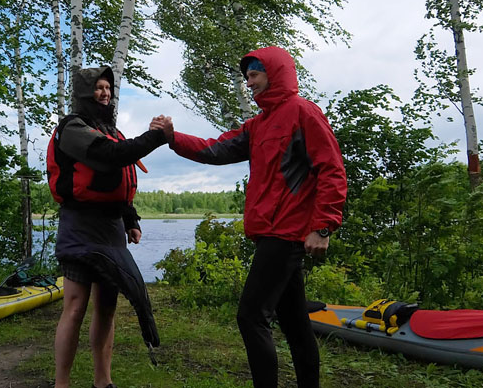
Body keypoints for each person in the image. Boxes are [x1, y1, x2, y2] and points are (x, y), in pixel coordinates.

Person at [151, 46, 347, 388]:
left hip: (286, 233)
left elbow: (331, 169)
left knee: (251, 316)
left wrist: (324, 225)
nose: (249, 82)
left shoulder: (304, 113)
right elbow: (217, 148)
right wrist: (173, 138)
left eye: (254, 74)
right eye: (247, 76)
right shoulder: (258, 125)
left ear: (274, 74)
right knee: (295, 323)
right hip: (271, 231)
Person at [47, 66, 166, 388]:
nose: (105, 93)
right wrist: (156, 136)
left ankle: (103, 381)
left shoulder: (110, 128)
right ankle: (62, 383)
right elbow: (110, 156)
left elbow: (118, 181)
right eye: (98, 87)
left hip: (111, 230)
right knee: (74, 307)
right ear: (86, 92)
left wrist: (130, 219)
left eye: (108, 88)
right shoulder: (72, 129)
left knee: (107, 307)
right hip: (80, 226)